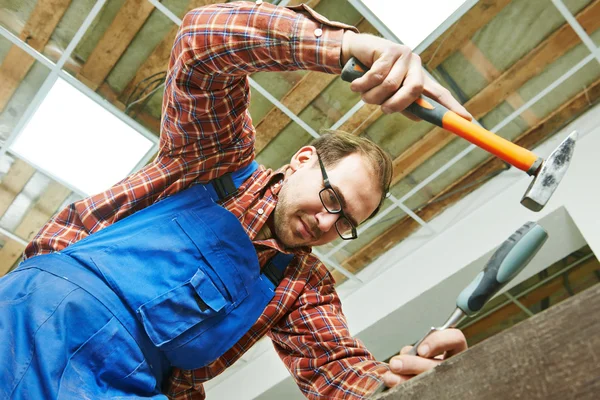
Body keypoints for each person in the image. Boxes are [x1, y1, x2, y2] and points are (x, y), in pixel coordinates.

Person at [0, 1, 472, 399]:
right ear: (303, 159)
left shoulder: (302, 285)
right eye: (332, 197)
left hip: (129, 384)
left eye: (346, 221)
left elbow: (340, 374)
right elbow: (199, 42)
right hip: (40, 314)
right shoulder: (214, 159)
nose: (329, 223)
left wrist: (401, 383)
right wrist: (343, 47)